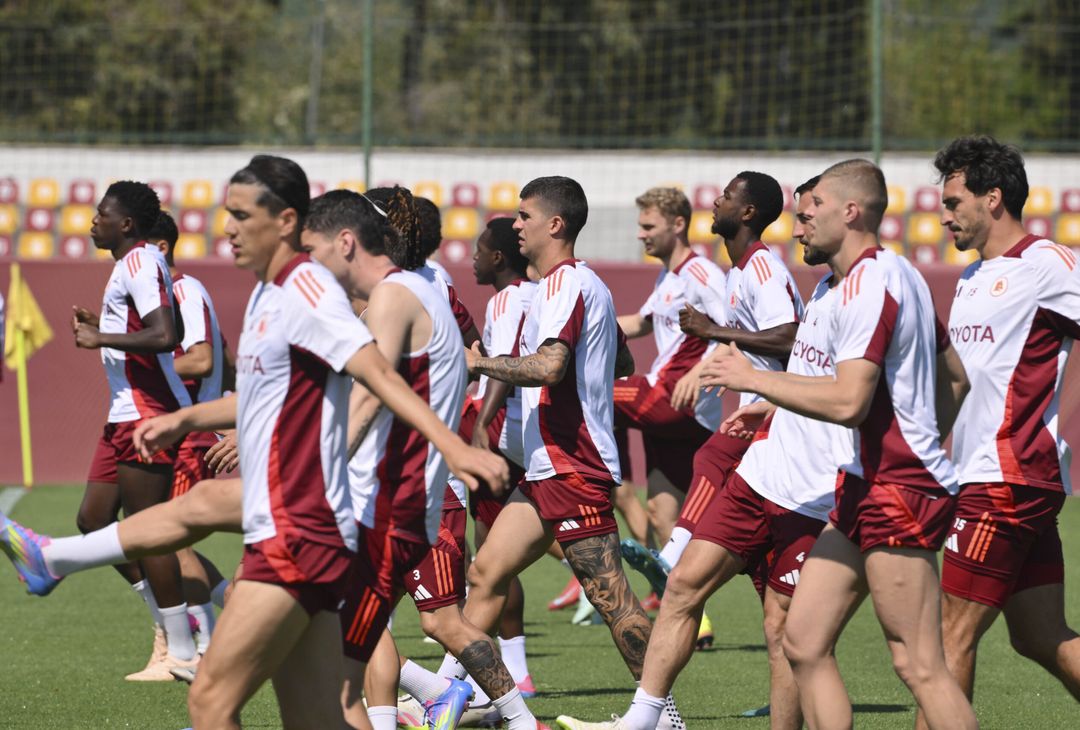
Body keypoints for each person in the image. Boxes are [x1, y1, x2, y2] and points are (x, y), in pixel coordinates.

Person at [0, 156, 508, 729]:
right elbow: (274, 392)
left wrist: (456, 446)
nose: (228, 229)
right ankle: (53, 558)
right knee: (320, 709)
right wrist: (185, 420)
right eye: (226, 215)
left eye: (241, 215)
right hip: (306, 516)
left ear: (286, 221)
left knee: (215, 699)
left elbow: (378, 377)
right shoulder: (276, 293)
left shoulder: (313, 288)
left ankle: (54, 558)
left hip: (311, 526)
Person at [700, 159, 977, 729]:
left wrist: (753, 379)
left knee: (919, 665)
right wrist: (921, 435)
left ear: (850, 212)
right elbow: (955, 377)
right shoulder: (888, 278)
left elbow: (850, 400)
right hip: (864, 485)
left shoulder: (873, 283)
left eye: (810, 214)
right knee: (801, 641)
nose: (798, 228)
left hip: (899, 492)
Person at [555, 177, 839, 730]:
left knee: (701, 457)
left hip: (780, 432)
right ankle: (657, 552)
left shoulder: (754, 268)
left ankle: (661, 553)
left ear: (748, 210)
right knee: (770, 606)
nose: (717, 201)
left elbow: (790, 335)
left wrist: (713, 343)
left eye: (728, 195)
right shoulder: (730, 272)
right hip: (765, 432)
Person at [302, 188, 541, 730]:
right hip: (415, 493)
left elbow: (375, 390)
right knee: (418, 623)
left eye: (314, 246)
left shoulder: (395, 296)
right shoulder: (430, 287)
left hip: (393, 494)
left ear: (350, 240)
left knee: (343, 630)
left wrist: (319, 463)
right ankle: (503, 714)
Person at [460, 176, 685, 729]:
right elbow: (623, 365)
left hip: (572, 464)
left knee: (615, 602)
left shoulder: (564, 284)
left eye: (524, 216)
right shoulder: (579, 284)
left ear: (555, 225)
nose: (516, 225)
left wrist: (480, 363)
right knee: (486, 571)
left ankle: (664, 717)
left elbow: (550, 366)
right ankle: (475, 701)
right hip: (548, 464)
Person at [914, 135, 1080, 725]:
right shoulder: (971, 278)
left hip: (1008, 480)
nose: (945, 212)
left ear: (994, 198)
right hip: (988, 477)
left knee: (943, 639)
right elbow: (963, 385)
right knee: (1039, 635)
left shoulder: (1048, 266)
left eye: (955, 200)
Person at [73, 181, 199, 679]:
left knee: (149, 534)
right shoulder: (130, 265)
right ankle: (175, 623)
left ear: (125, 224)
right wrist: (101, 326)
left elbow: (169, 335)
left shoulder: (142, 262)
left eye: (102, 213)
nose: (92, 220)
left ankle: (183, 649)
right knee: (93, 519)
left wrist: (99, 335)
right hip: (125, 411)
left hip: (148, 411)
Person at [611, 187, 727, 590]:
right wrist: (581, 326)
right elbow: (641, 322)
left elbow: (738, 332)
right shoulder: (668, 276)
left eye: (648, 226)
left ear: (678, 225)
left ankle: (608, 481)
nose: (641, 234)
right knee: (662, 511)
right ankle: (695, 615)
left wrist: (701, 372)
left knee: (589, 393)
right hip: (674, 415)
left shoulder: (703, 274)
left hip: (677, 399)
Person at [146, 210, 231, 658]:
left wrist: (140, 368)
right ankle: (204, 636)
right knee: (167, 538)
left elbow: (201, 360)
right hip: (182, 429)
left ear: (159, 248)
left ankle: (197, 644)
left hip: (194, 432)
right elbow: (226, 355)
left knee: (166, 536)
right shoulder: (159, 297)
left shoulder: (183, 289)